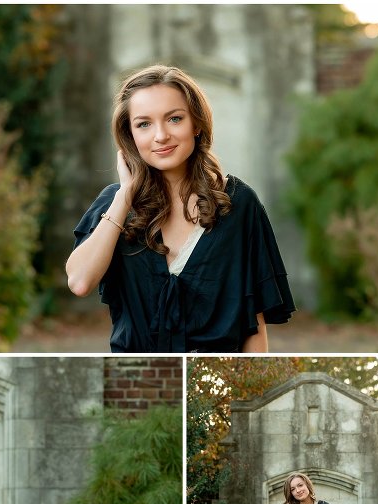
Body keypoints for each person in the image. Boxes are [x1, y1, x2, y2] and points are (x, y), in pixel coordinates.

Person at [66, 65, 295, 352]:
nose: (160, 136)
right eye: (144, 124)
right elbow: (80, 281)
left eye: (174, 119)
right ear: (130, 135)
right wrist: (125, 195)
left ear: (196, 124)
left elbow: (254, 322)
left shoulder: (238, 203)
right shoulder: (115, 203)